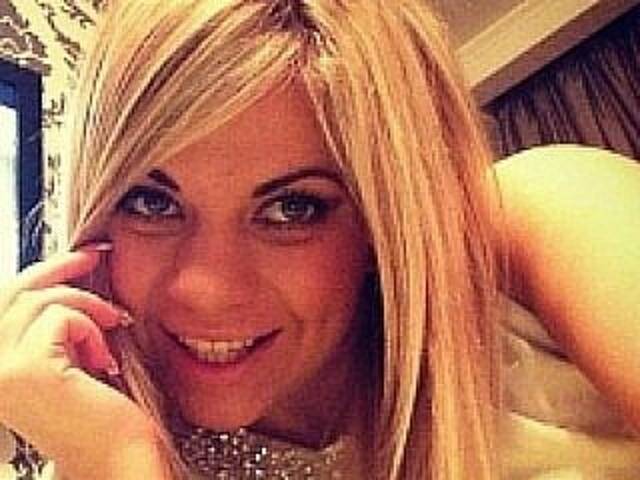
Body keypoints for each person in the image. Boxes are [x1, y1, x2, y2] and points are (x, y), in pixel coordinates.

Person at [0, 1, 639, 479]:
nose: (207, 290)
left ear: (382, 220)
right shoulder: (96, 442)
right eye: (151, 202)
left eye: (292, 209)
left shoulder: (536, 216)